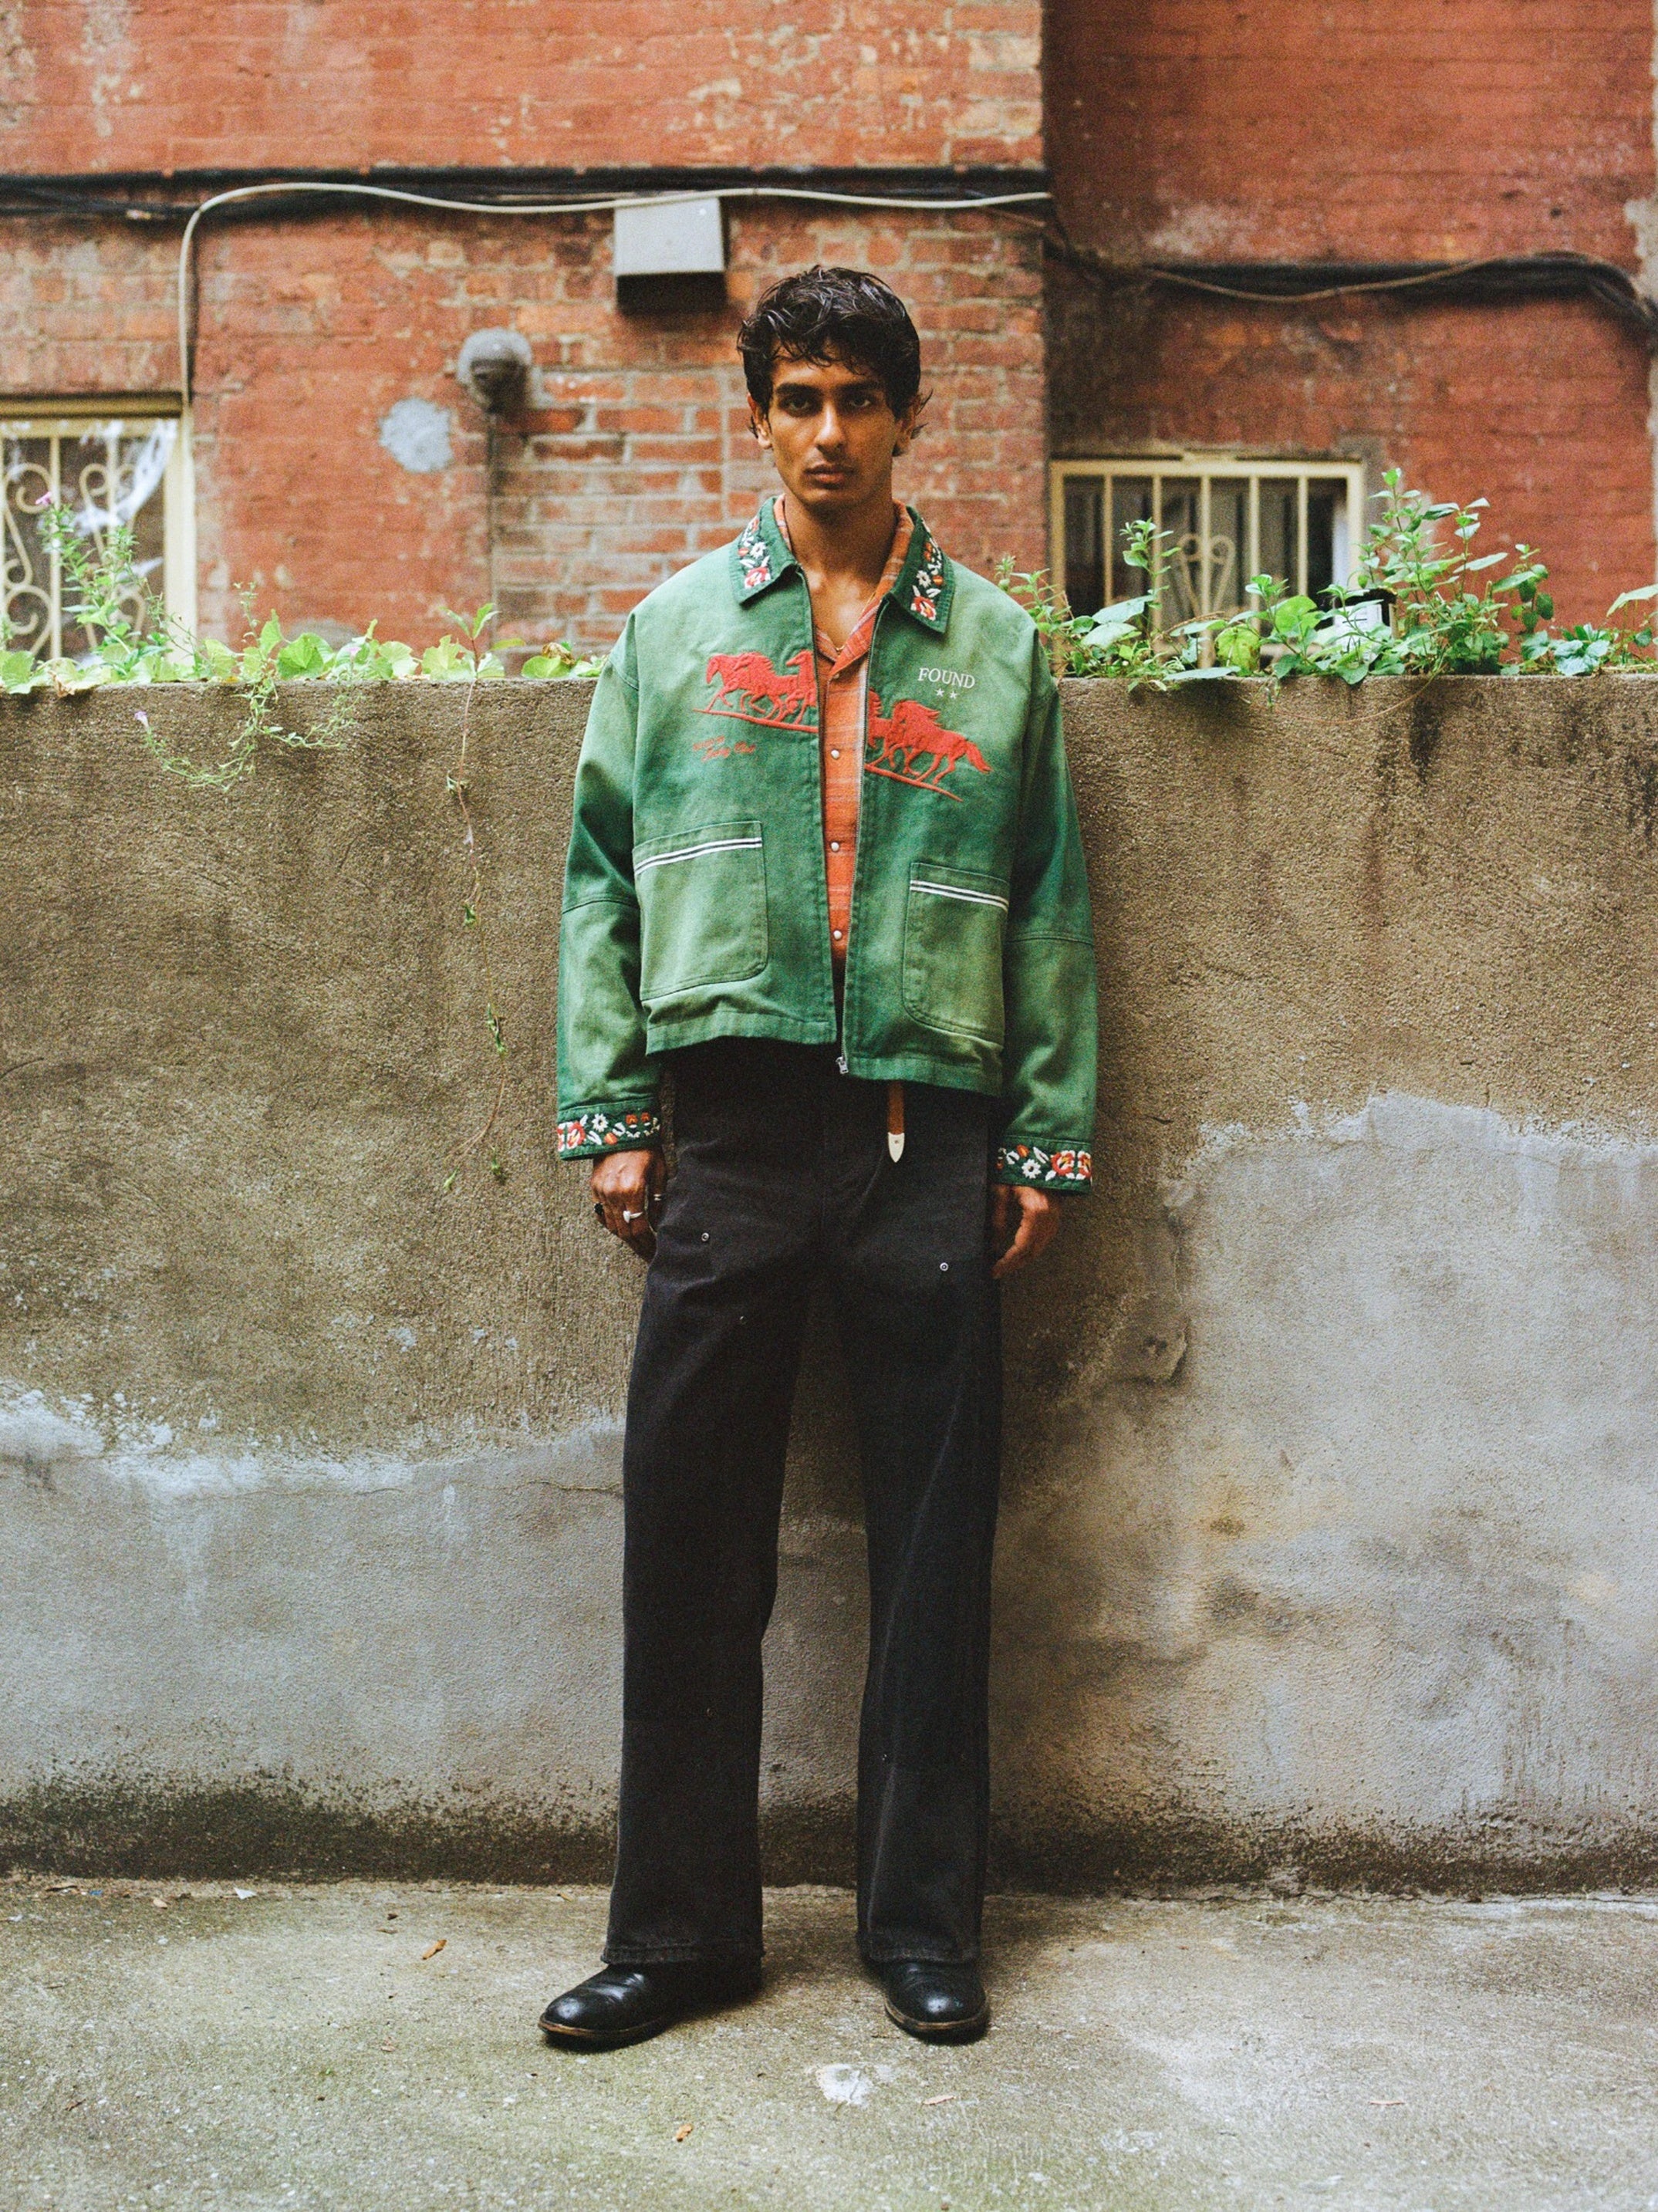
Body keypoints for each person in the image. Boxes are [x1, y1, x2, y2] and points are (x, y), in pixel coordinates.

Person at [540, 266, 1096, 2051]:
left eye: (860, 399)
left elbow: (1048, 903)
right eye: (799, 399)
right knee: (691, 1543)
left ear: (910, 413)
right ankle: (683, 1936)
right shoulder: (676, 630)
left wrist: (1046, 1133)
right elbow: (599, 886)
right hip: (737, 1134)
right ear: (761, 414)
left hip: (928, 1133)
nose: (830, 433)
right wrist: (618, 1116)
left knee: (933, 1554)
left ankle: (922, 1926)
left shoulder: (997, 647)